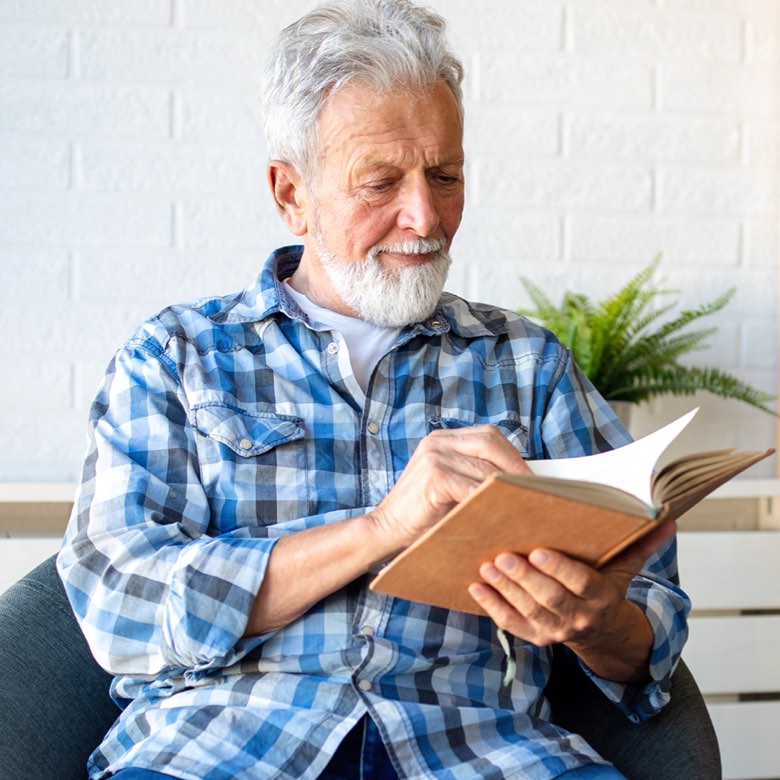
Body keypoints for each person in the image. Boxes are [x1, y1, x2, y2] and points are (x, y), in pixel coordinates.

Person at [57, 1, 690, 778]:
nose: (424, 216)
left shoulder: (527, 364)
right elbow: (119, 602)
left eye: (446, 175)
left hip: (479, 753)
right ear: (291, 194)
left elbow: (651, 633)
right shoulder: (177, 356)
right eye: (381, 181)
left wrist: (597, 623)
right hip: (224, 749)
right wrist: (380, 529)